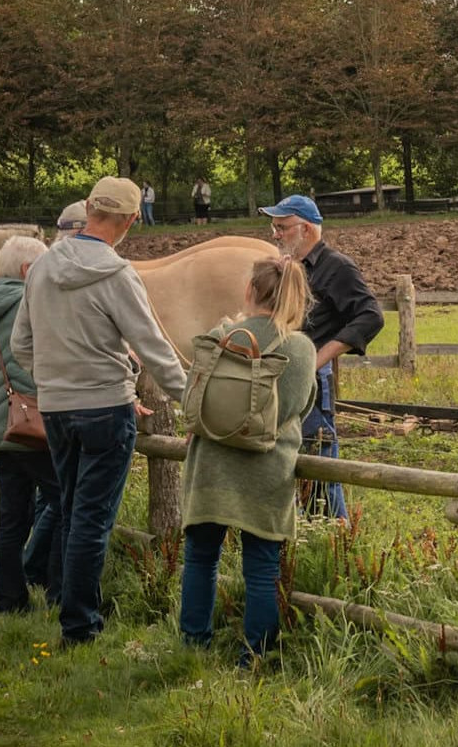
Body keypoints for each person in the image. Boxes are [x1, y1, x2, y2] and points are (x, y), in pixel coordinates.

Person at [12, 177, 186, 646]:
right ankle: (80, 624)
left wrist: (54, 376)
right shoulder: (117, 274)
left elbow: (20, 343)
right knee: (92, 518)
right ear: (131, 220)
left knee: (71, 508)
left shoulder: (43, 267)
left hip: (56, 407)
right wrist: (193, 399)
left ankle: (68, 605)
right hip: (105, 406)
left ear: (89, 207)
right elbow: (153, 347)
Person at [179, 257, 317, 664]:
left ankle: (193, 645)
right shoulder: (300, 349)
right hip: (265, 474)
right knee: (261, 570)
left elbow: (195, 396)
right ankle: (254, 655)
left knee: (200, 561)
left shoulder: (220, 336)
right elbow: (298, 407)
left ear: (249, 291)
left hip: (210, 468)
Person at [260, 194, 384, 519]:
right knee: (289, 473)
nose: (275, 234)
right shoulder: (289, 269)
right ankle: (303, 549)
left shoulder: (337, 267)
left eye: (282, 227)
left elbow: (371, 316)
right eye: (274, 226)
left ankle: (336, 551)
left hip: (313, 388)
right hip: (282, 385)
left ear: (307, 229)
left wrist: (319, 358)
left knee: (320, 479)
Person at [0, 235, 61, 614]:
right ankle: (60, 591)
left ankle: (10, 599)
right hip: (31, 426)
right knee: (66, 501)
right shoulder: (30, 303)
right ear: (28, 271)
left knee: (12, 518)